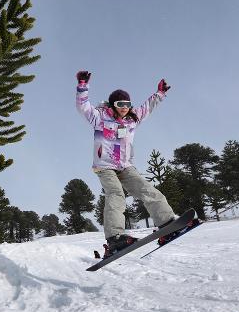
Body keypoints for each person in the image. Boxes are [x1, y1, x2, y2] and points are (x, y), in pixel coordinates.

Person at [75, 70, 178, 257]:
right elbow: (83, 106)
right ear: (113, 104)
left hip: (125, 165)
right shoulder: (99, 117)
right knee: (116, 194)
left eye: (127, 104)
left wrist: (160, 93)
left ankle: (167, 222)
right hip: (105, 166)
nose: (124, 107)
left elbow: (148, 106)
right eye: (120, 104)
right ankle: (115, 237)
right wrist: (83, 85)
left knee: (147, 190)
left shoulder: (133, 118)